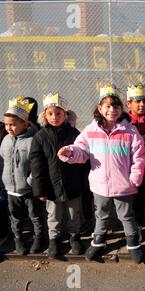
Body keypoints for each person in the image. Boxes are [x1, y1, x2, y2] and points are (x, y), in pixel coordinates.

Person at [58, 86, 145, 264]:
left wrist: (135, 178)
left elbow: (139, 156)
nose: (111, 110)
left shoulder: (130, 131)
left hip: (124, 185)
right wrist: (70, 152)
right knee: (101, 215)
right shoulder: (91, 131)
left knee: (126, 216)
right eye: (107, 106)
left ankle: (133, 243)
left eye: (115, 107)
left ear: (121, 109)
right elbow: (81, 149)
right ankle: (98, 242)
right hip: (100, 185)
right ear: (100, 108)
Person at [30, 93, 85, 259]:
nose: (55, 117)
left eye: (59, 113)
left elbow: (83, 158)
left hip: (72, 184)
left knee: (73, 213)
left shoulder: (75, 134)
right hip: (51, 186)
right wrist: (39, 189)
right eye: (50, 113)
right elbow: (36, 164)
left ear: (65, 115)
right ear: (44, 116)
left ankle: (74, 236)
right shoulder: (40, 137)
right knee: (53, 215)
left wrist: (83, 183)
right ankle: (54, 240)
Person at [0, 97, 45, 255]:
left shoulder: (32, 140)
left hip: (28, 189)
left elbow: (37, 165)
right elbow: (3, 160)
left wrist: (30, 181)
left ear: (25, 123)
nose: (8, 128)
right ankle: (18, 238)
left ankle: (39, 237)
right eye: (6, 124)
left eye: (12, 124)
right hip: (11, 189)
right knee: (15, 217)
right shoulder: (5, 140)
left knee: (35, 216)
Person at [126, 84, 145, 237]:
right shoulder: (124, 123)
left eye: (144, 101)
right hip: (133, 167)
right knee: (136, 199)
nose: (142, 104)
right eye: (137, 101)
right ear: (128, 104)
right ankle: (137, 224)